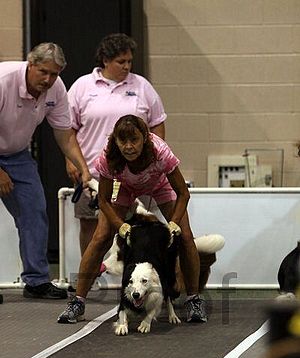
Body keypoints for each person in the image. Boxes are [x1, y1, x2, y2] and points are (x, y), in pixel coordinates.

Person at [58, 115, 207, 324]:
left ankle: (194, 301)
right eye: (123, 141)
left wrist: (173, 222)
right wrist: (120, 226)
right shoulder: (108, 157)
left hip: (159, 185)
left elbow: (183, 193)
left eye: (134, 140)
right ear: (115, 141)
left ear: (144, 138)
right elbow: (103, 200)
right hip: (124, 187)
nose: (128, 147)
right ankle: (77, 302)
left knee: (186, 237)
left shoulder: (160, 152)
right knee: (101, 237)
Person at [0, 42, 91, 299]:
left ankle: (36, 281)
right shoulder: (3, 80)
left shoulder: (56, 89)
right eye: (43, 72)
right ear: (30, 65)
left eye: (55, 74)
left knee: (35, 211)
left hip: (17, 155)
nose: (49, 79)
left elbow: (65, 134)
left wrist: (84, 168)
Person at [65, 33, 167, 255]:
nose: (127, 66)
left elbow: (158, 124)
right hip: (92, 173)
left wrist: (154, 158)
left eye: (130, 61)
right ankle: (91, 274)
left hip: (136, 174)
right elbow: (67, 130)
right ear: (105, 60)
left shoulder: (142, 86)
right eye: (121, 62)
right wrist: (71, 161)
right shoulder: (82, 86)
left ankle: (138, 275)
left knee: (139, 225)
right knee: (92, 226)